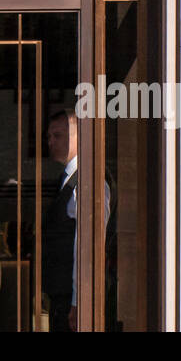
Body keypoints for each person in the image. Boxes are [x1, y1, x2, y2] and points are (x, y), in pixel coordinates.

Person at [44, 108, 112, 332]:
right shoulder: (68, 180)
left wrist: (78, 299)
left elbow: (85, 244)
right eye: (49, 136)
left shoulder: (87, 180)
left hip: (73, 300)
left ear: (78, 137)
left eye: (58, 135)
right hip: (62, 296)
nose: (50, 142)